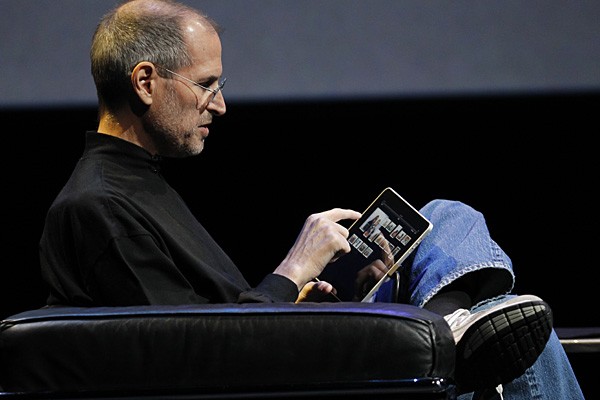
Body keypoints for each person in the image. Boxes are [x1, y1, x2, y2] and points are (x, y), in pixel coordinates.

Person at [38, 1, 583, 399]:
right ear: (145, 81)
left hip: (281, 355)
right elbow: (197, 362)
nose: (220, 106)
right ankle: (449, 332)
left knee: (443, 218)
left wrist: (299, 307)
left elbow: (210, 320)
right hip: (286, 384)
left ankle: (448, 323)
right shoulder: (99, 207)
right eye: (207, 84)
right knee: (517, 329)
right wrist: (294, 268)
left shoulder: (135, 185)